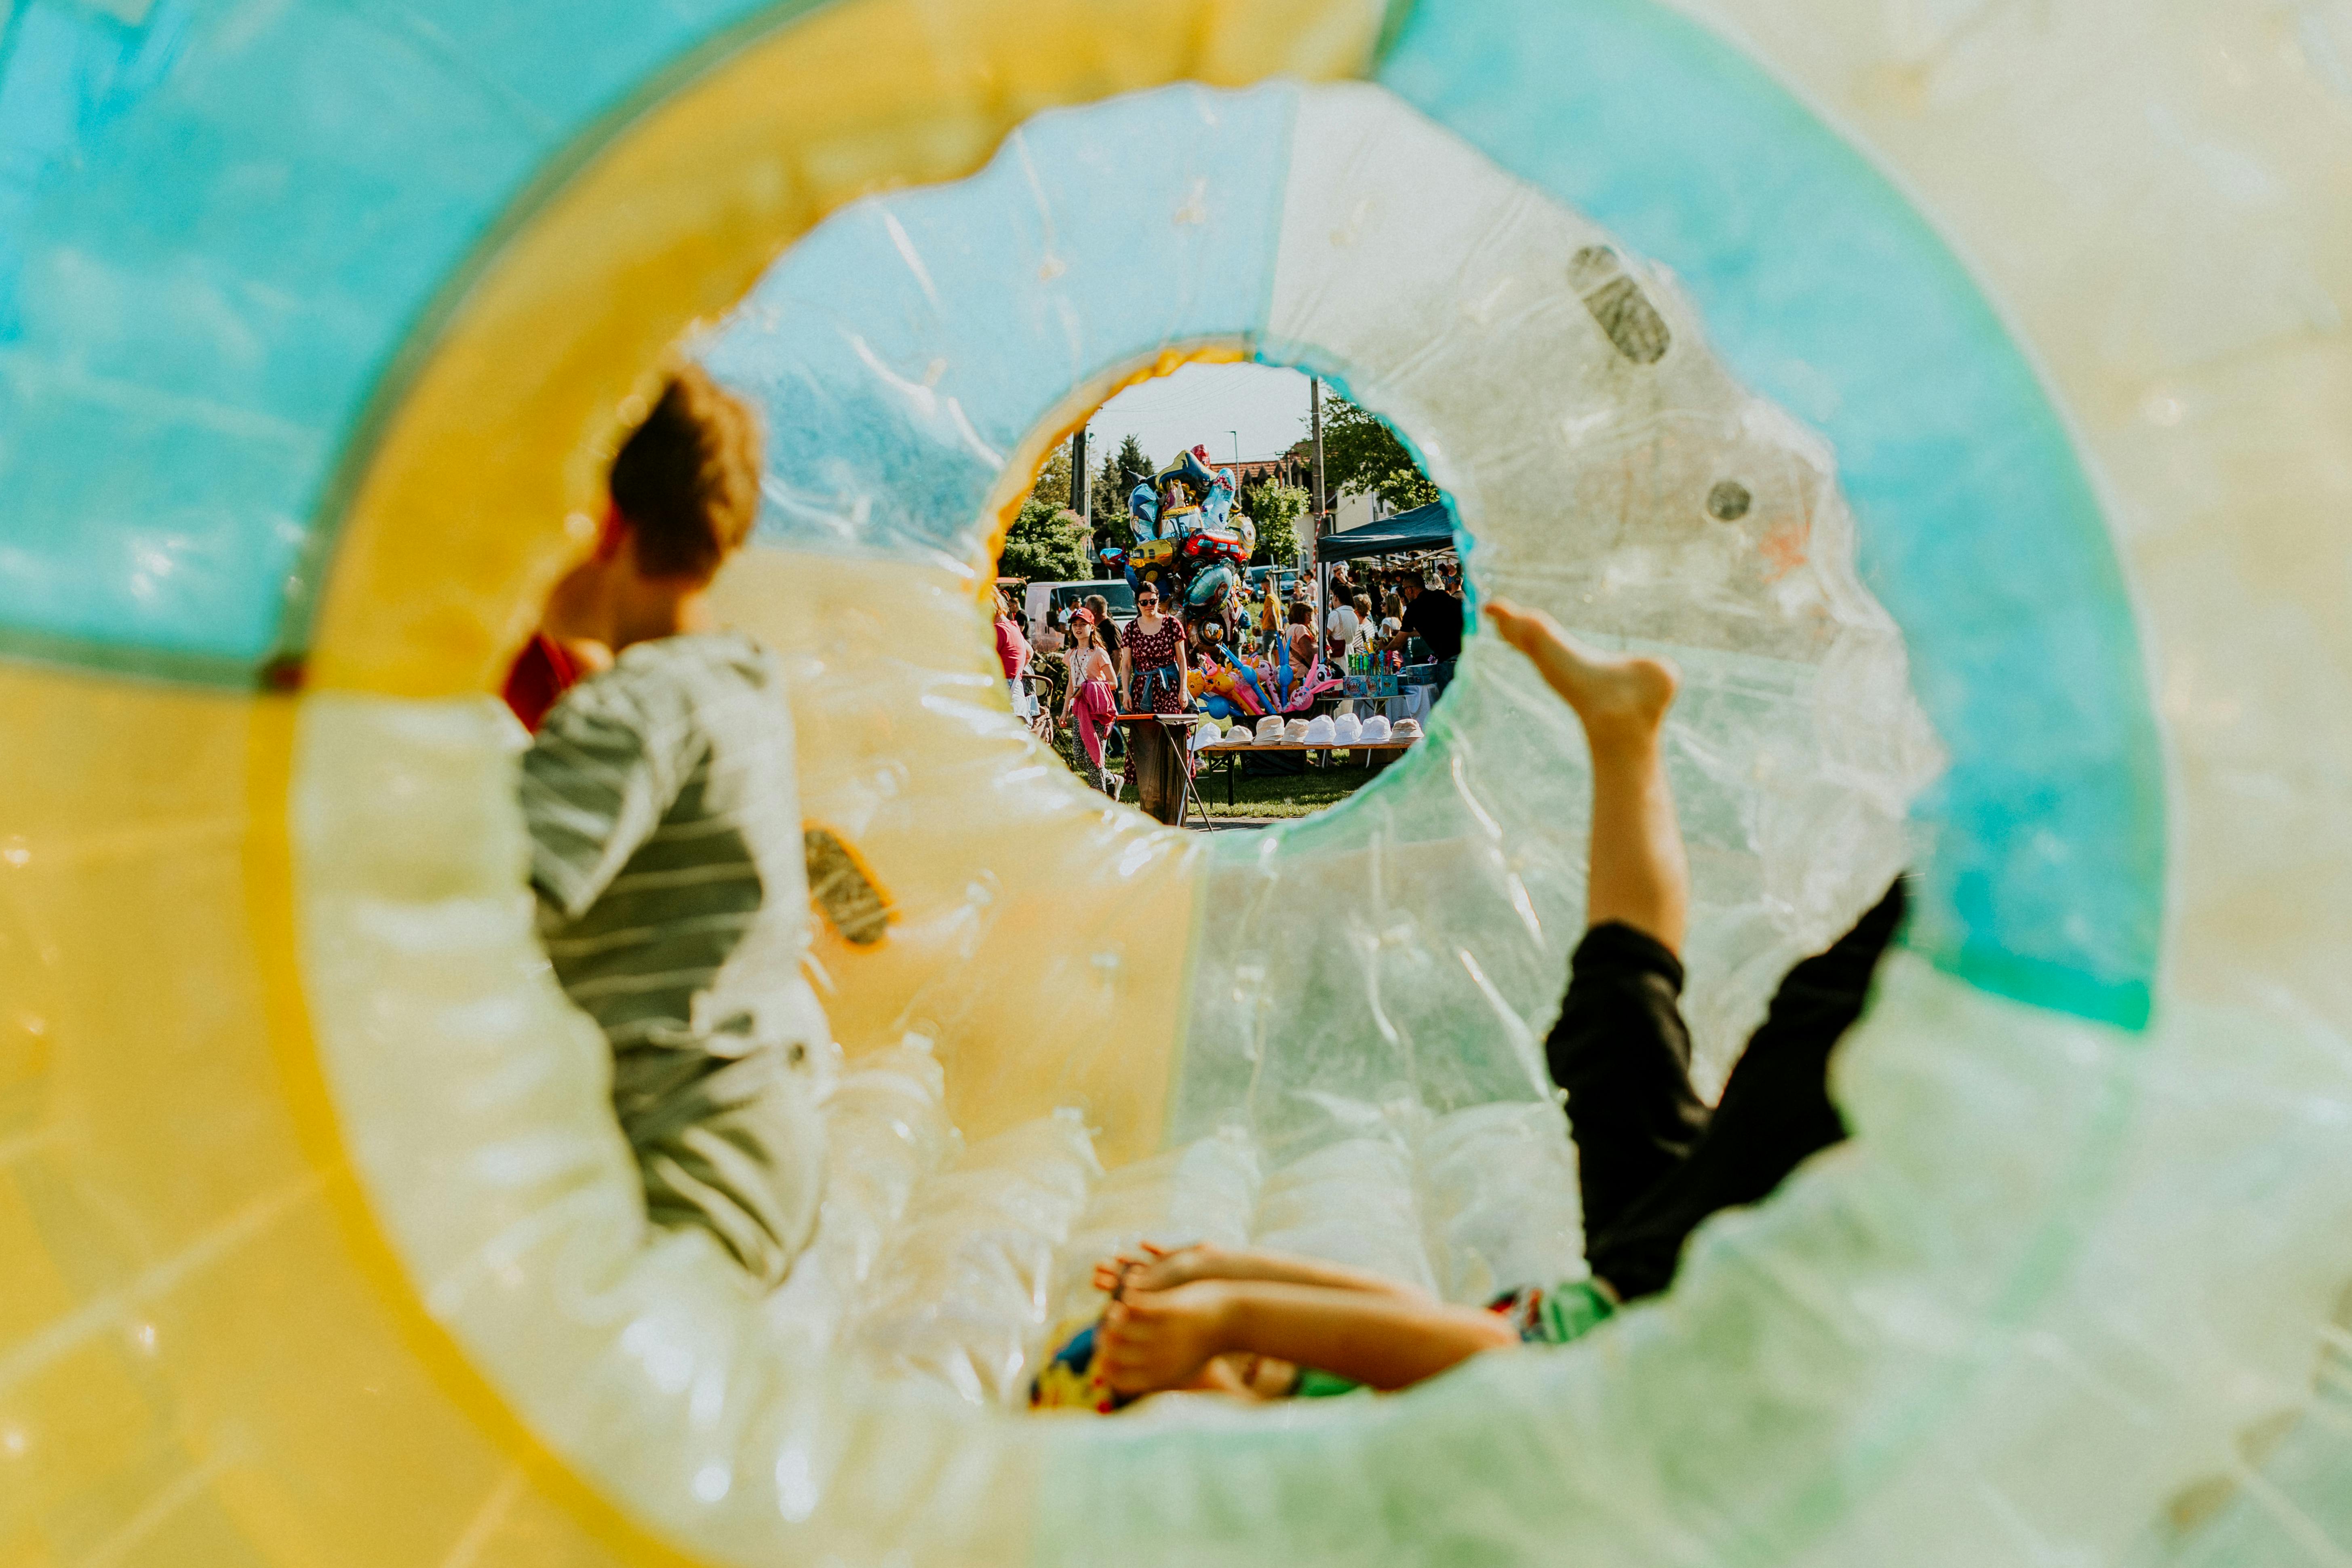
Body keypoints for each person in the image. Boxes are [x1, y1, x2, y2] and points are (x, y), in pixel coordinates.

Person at [1078, 597, 1908, 1399]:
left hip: (1639, 1273)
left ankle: (1624, 734)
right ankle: (1969, 871)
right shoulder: (1444, 1430)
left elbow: (1414, 1322)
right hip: (1669, 1313)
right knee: (1762, 1028)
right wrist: (1228, 1310)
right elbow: (1477, 1345)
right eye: (1243, 1370)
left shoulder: (1351, 1392)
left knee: (1615, 1020)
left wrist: (1217, 1277)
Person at [518, 365, 832, 1290]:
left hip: (678, 1170)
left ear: (603, 524)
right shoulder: (737, 683)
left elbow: (486, 897)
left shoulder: (628, 710)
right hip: (763, 1134)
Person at [1117, 584, 1193, 792]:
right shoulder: (1131, 628)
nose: (1149, 605)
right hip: (1143, 689)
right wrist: (1126, 693)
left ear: (1159, 600)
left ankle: (1178, 784)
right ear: (1138, 604)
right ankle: (1150, 787)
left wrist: (1183, 689)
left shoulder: (1172, 624)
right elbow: (1126, 665)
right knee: (1144, 738)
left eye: (1153, 601)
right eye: (1144, 602)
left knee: (1174, 733)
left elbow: (1182, 660)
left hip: (1169, 686)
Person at [1061, 608, 1118, 792]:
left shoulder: (1099, 653)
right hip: (1079, 710)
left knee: (1094, 756)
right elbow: (1071, 683)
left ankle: (1100, 799)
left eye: (1083, 624)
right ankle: (1113, 780)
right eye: (1075, 625)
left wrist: (1089, 688)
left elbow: (1114, 683)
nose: (1078, 628)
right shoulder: (1071, 654)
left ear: (1092, 627)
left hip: (1097, 710)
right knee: (1080, 756)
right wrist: (1065, 711)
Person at [1383, 572, 1464, 695]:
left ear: (1409, 589)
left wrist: (1385, 649)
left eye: (1404, 590)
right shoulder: (1441, 596)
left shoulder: (1413, 609)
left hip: (1449, 661)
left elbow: (1399, 642)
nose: (1405, 594)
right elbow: (1432, 629)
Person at [994, 589, 1033, 718]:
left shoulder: (997, 630)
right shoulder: (1013, 627)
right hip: (1017, 696)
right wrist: (1015, 671)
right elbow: (1029, 653)